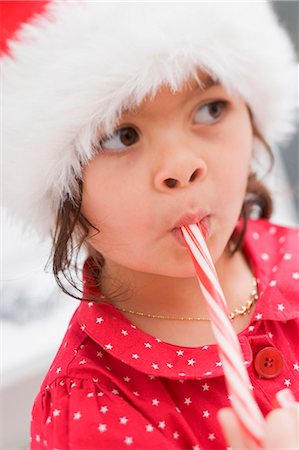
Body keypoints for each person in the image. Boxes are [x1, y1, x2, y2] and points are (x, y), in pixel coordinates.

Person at [2, 2, 298, 449]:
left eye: (210, 109)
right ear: (61, 191)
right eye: (121, 136)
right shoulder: (92, 408)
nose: (182, 166)